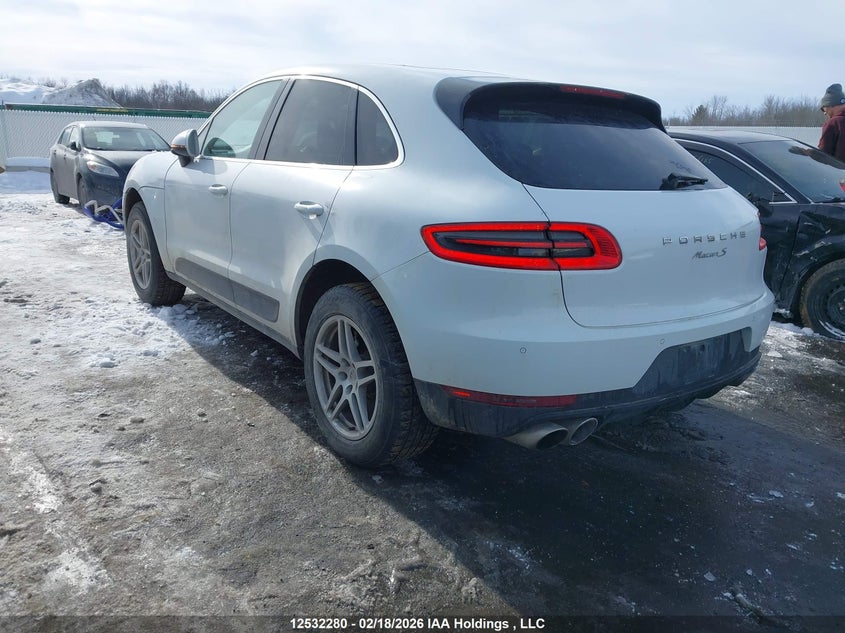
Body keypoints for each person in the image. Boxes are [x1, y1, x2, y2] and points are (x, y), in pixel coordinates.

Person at [818, 83, 845, 161]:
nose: (825, 113)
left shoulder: (834, 123)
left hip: (838, 172)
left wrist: (805, 152)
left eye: (823, 108)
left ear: (831, 105)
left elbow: (823, 154)